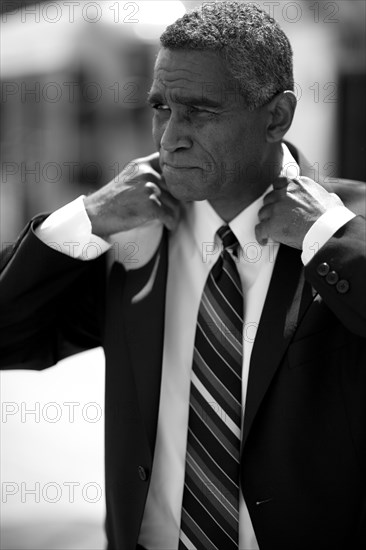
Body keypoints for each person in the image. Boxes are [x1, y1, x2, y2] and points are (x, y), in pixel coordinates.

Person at [1, 2, 365, 549]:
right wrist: (83, 219)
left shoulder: (349, 229)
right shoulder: (128, 237)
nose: (170, 135)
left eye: (199, 111)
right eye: (160, 107)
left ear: (277, 117)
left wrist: (330, 239)